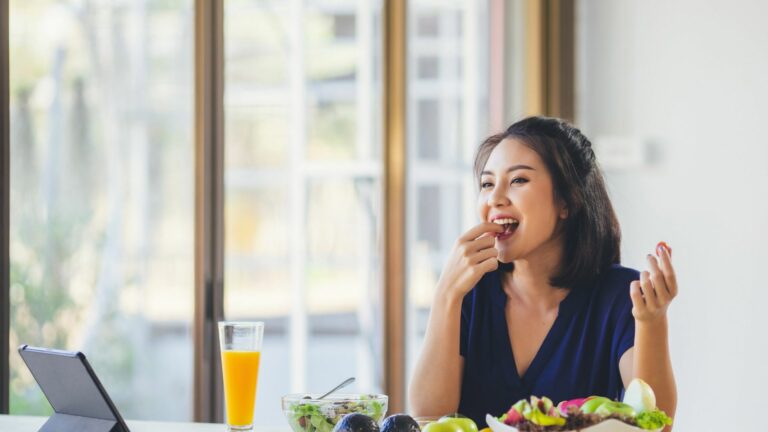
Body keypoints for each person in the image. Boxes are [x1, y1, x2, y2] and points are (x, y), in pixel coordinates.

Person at [408, 117, 677, 430]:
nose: (495, 198)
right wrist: (446, 295)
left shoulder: (621, 295)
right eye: (487, 183)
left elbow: (656, 425)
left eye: (518, 180)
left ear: (566, 200)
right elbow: (426, 417)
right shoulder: (471, 292)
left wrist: (652, 322)